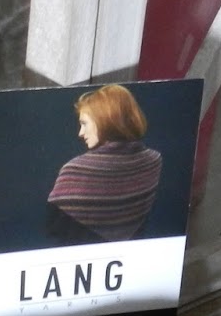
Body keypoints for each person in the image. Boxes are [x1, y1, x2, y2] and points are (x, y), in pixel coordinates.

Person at [46, 84, 164, 243]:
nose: (80, 133)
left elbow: (56, 230)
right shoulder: (153, 161)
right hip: (130, 254)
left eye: (84, 123)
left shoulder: (74, 171)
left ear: (105, 120)